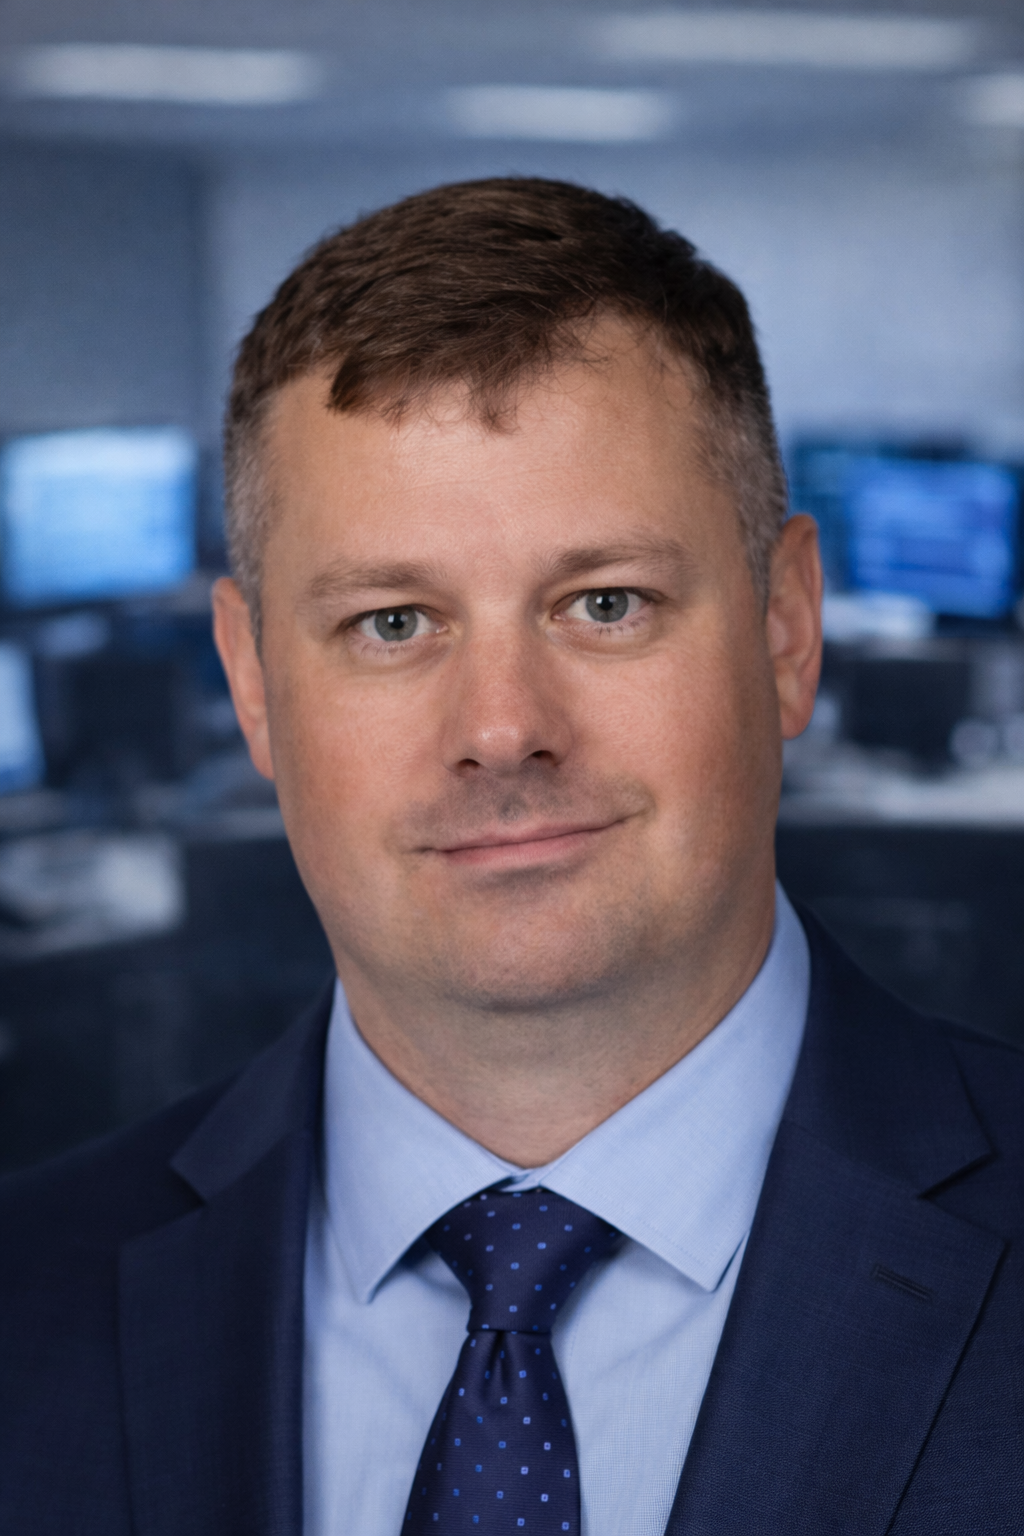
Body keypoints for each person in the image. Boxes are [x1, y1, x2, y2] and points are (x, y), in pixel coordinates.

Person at [0, 178, 1020, 1536]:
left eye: (605, 603)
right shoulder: (25, 1304)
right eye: (390, 623)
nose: (501, 730)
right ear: (250, 682)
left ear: (785, 630)